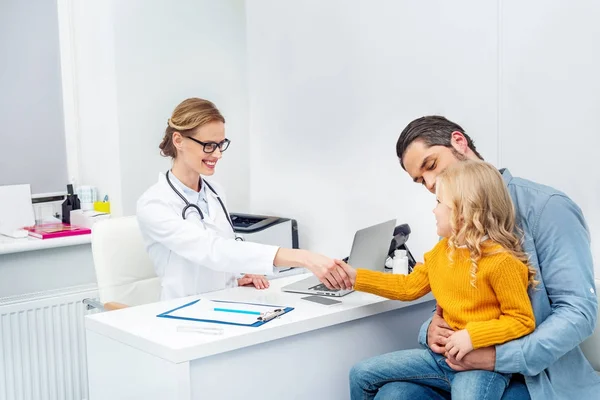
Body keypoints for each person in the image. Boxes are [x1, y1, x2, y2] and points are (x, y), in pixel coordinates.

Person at [351, 116, 599, 399]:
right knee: (394, 395)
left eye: (430, 165)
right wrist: (431, 330)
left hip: (535, 376)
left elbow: (577, 312)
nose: (430, 183)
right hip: (459, 361)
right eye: (421, 181)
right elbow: (465, 299)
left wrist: (496, 357)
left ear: (459, 142)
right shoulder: (457, 220)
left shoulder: (548, 208)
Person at [339, 161, 537, 399]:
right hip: (439, 358)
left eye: (439, 202)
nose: (434, 210)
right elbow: (408, 287)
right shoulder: (442, 251)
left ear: (465, 211)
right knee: (361, 374)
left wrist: (473, 336)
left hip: (479, 365)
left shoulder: (501, 261)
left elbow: (522, 320)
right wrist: (355, 277)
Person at [137, 98, 352, 300]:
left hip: (227, 301)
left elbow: (227, 246)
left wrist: (239, 274)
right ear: (178, 140)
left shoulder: (215, 191)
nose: (218, 154)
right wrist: (304, 257)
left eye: (221, 144)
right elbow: (211, 249)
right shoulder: (154, 204)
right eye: (209, 145)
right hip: (182, 314)